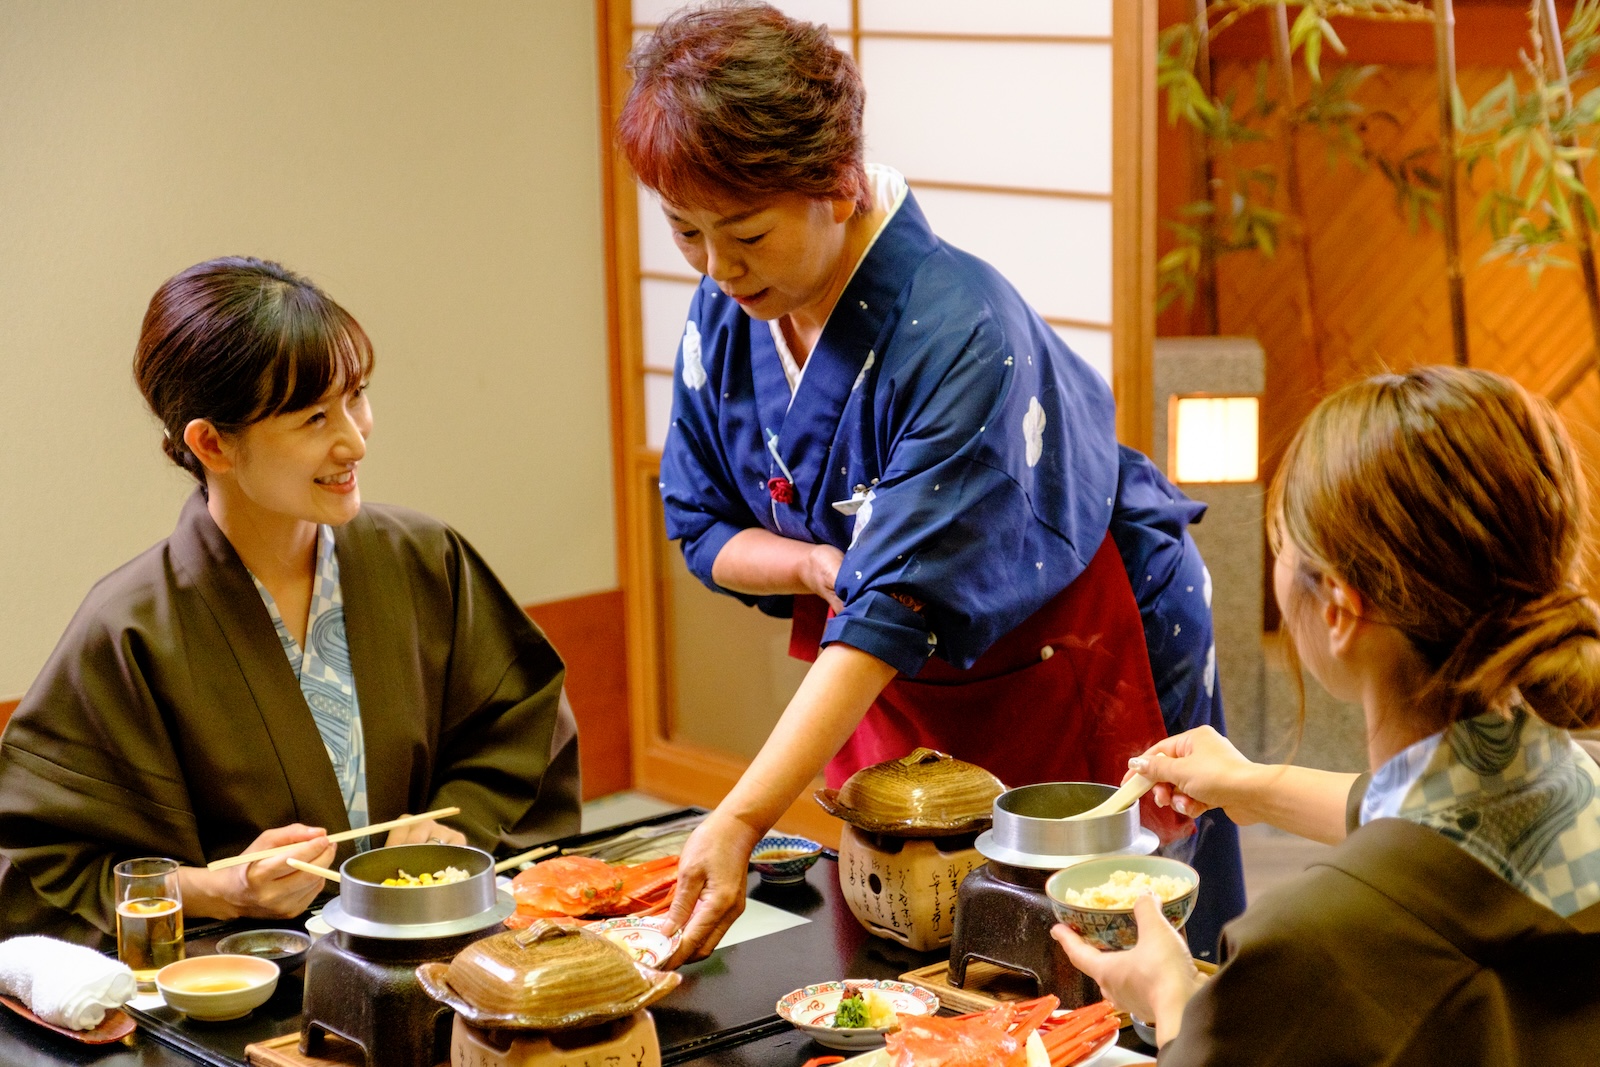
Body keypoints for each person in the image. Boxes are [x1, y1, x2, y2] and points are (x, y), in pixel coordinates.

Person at [619, 1, 1246, 965]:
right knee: (913, 950)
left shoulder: (960, 326)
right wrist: (814, 564)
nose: (715, 267)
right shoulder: (731, 302)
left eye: (742, 232)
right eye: (684, 231)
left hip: (1073, 642)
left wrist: (742, 813)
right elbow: (701, 524)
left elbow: (888, 606)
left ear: (835, 183)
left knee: (1107, 951)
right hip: (893, 669)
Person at [0, 257, 581, 946]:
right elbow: (44, 865)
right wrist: (223, 890)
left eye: (356, 395)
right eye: (313, 417)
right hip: (251, 985)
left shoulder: (425, 557)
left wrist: (457, 826)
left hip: (441, 948)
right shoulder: (129, 629)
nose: (354, 439)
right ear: (213, 442)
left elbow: (521, 724)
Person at [1054, 366, 1600, 1064]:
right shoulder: (1572, 785)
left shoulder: (1307, 951)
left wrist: (1172, 997)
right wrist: (1253, 785)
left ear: (1338, 609)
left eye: (1280, 546)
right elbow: (1439, 824)